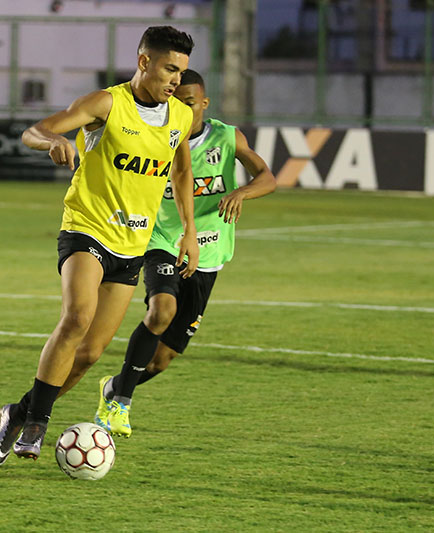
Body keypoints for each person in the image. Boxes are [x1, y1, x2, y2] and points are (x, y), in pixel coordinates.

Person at [0, 26, 200, 467]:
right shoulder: (107, 103)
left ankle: (18, 411)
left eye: (180, 71)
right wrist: (55, 141)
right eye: (169, 69)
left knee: (89, 356)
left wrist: (189, 231)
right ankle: (37, 425)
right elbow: (35, 130)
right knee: (77, 317)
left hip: (132, 245)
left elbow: (180, 172)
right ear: (144, 62)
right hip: (87, 228)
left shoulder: (179, 116)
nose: (176, 79)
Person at [92, 69, 277, 437]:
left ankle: (114, 387)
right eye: (177, 101)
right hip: (163, 241)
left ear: (204, 104)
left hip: (209, 256)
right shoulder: (157, 138)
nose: (183, 109)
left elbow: (267, 177)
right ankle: (120, 405)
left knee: (162, 360)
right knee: (162, 309)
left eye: (190, 103)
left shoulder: (227, 137)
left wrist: (241, 193)